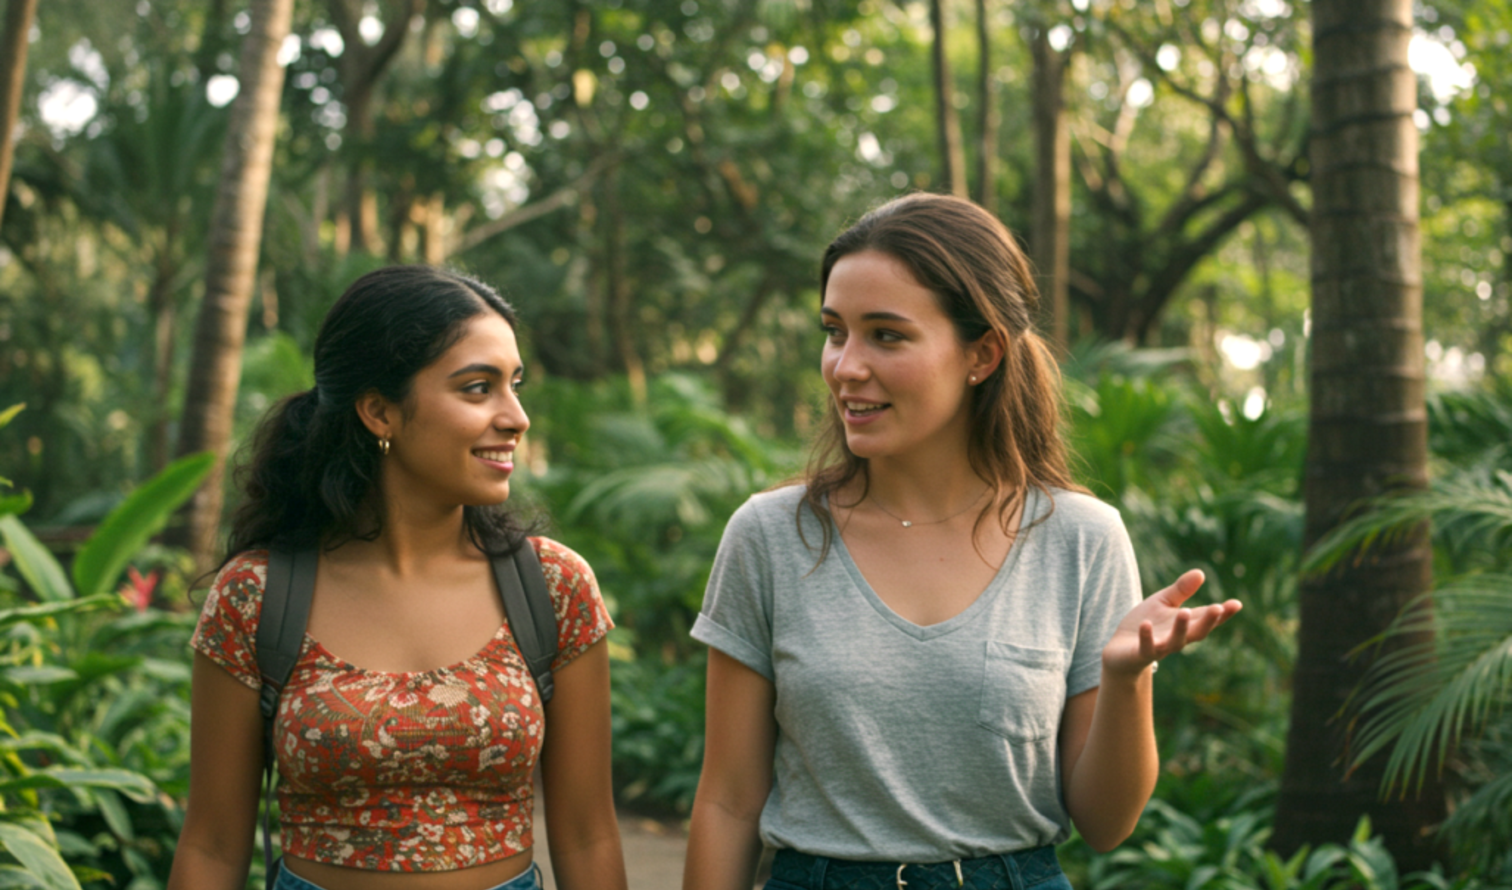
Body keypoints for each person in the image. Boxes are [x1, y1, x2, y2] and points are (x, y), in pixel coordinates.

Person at [682, 194, 1242, 890]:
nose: (845, 367)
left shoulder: (1080, 539)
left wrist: (1125, 681)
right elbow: (729, 802)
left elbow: (1105, 823)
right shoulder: (770, 536)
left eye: (886, 335)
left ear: (982, 354)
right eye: (835, 331)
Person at [167, 267, 628, 890]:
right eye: (477, 389)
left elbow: (588, 836)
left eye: (514, 386)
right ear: (380, 411)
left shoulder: (551, 586)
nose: (516, 416)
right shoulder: (258, 595)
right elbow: (213, 847)